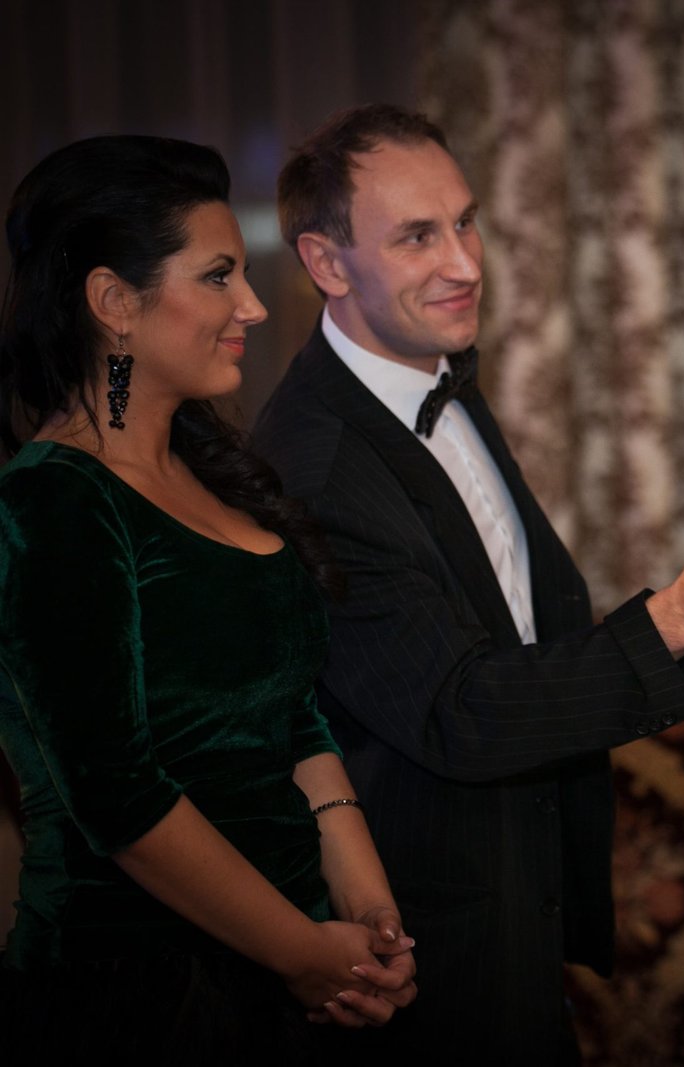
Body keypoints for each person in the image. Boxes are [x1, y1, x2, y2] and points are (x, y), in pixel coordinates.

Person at [252, 103, 684, 1060]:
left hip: (519, 910)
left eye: (466, 222)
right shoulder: (317, 466)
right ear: (327, 264)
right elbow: (461, 708)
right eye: (417, 236)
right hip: (423, 949)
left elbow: (521, 623)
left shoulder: (439, 374)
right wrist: (676, 616)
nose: (465, 263)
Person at [0, 135, 417, 1060]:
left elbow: (293, 718)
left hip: (289, 969)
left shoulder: (212, 471)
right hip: (137, 993)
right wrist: (302, 951)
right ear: (114, 302)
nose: (254, 306)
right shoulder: (53, 501)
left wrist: (368, 909)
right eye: (220, 276)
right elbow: (115, 794)